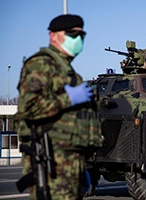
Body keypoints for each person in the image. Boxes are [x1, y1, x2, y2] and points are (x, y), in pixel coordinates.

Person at [14, 14, 102, 199]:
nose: (77, 39)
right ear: (53, 35)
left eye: (81, 35)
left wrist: (80, 167)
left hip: (71, 166)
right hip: (50, 165)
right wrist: (68, 99)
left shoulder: (70, 74)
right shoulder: (40, 65)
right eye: (71, 34)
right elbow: (28, 109)